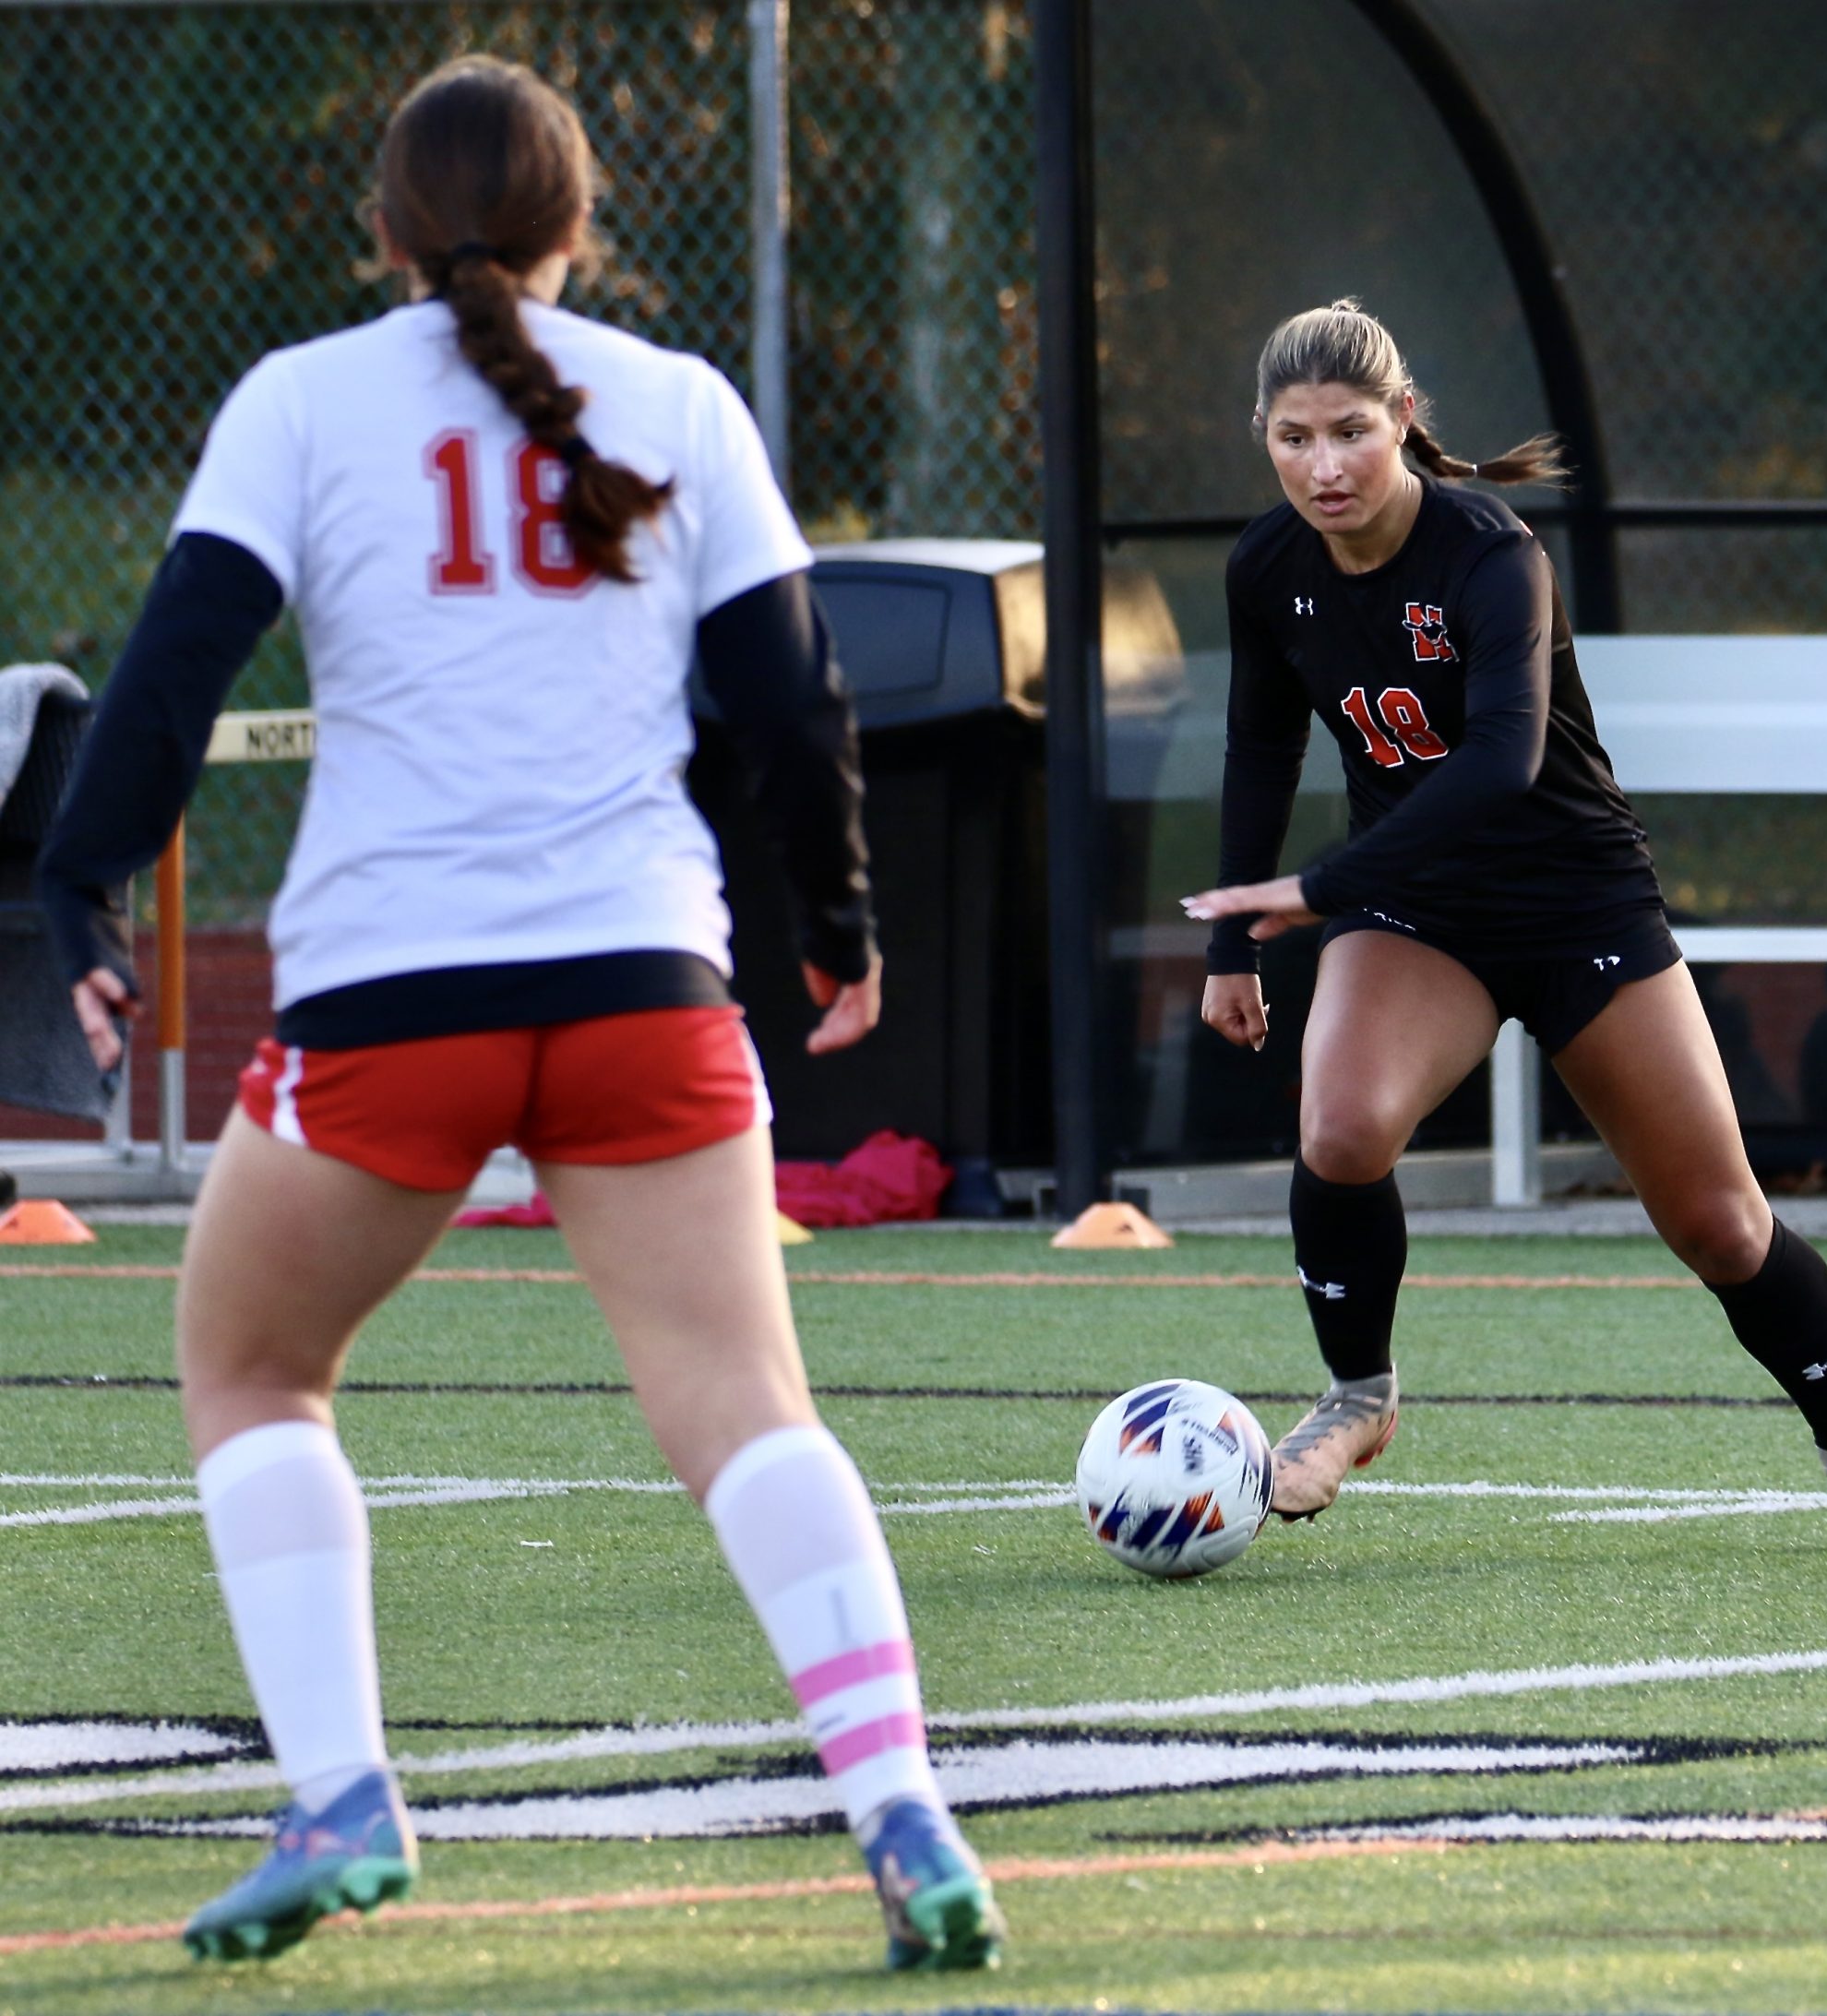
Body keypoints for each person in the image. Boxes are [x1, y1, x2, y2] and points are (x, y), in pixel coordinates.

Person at [38, 56, 1004, 1974]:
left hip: (392, 998)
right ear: (582, 226)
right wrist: (838, 922)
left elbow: (170, 673)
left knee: (251, 1367)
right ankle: (903, 1805)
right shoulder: (682, 398)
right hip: (645, 985)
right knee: (748, 1405)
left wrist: (81, 892)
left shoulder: (299, 399)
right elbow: (792, 694)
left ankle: (342, 1794)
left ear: (382, 229)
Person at [1184, 300, 1827, 1555]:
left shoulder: (1491, 553)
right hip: (1418, 911)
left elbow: (1501, 761)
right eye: (1294, 437)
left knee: (1720, 1223)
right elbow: (1259, 749)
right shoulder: (1268, 568)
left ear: (1404, 418)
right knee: (1342, 1129)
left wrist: (1316, 887)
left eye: (1352, 431)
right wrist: (1228, 945)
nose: (1324, 466)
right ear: (1262, 433)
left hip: (1577, 900)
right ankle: (1358, 1395)